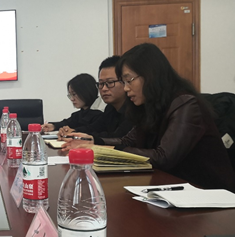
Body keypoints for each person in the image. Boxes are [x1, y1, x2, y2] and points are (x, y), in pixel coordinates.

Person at [67, 43, 235, 191]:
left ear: (150, 75)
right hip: (172, 188)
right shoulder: (150, 106)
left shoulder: (186, 104)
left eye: (129, 80)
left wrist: (108, 151)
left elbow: (163, 157)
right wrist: (94, 142)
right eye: (124, 82)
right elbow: (128, 141)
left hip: (207, 195)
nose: (126, 88)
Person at [59, 56, 133, 144]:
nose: (104, 88)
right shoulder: (110, 109)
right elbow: (94, 128)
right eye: (101, 83)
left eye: (110, 82)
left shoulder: (134, 110)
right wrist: (73, 132)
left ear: (125, 81)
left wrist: (89, 138)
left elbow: (118, 138)